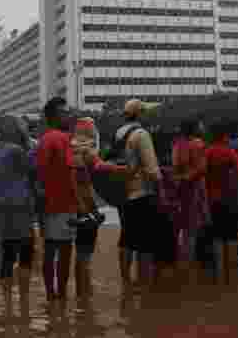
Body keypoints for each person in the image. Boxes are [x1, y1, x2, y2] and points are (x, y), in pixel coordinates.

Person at [69, 115, 124, 297]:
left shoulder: (72, 148)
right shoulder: (87, 149)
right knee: (85, 254)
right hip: (87, 209)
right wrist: (127, 169)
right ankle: (85, 296)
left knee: (80, 254)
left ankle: (80, 293)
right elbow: (100, 167)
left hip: (76, 208)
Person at [117, 98, 169, 286]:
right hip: (142, 193)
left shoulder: (120, 133)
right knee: (145, 243)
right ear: (139, 114)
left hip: (124, 193)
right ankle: (143, 283)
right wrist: (161, 191)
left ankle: (126, 283)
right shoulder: (141, 134)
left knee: (127, 238)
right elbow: (152, 169)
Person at [36, 97, 78, 301]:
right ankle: (57, 295)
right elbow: (45, 174)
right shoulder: (56, 138)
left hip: (58, 205)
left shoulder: (52, 138)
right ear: (53, 116)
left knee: (55, 251)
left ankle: (54, 296)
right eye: (64, 112)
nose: (68, 115)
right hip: (59, 206)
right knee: (61, 251)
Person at [204, 118, 238, 284]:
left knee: (217, 237)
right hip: (230, 200)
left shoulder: (208, 152)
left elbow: (203, 173)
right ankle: (231, 277)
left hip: (213, 201)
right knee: (232, 237)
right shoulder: (228, 151)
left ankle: (219, 273)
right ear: (224, 136)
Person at [0, 113, 36, 292]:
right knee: (25, 249)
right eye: (22, 126)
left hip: (1, 205)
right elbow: (33, 169)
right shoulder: (17, 150)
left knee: (7, 251)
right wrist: (28, 142)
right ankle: (24, 298)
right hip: (20, 205)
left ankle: (7, 301)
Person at [171, 118, 209, 269]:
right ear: (194, 128)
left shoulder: (177, 144)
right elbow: (202, 169)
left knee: (180, 226)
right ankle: (190, 262)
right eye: (200, 125)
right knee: (192, 228)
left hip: (179, 187)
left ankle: (180, 260)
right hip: (194, 187)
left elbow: (175, 166)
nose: (202, 127)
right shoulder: (198, 144)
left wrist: (181, 178)